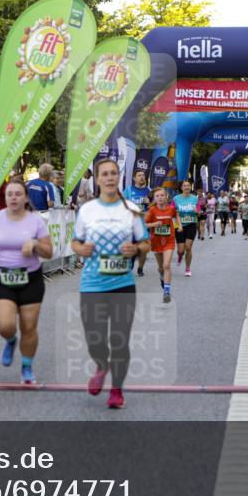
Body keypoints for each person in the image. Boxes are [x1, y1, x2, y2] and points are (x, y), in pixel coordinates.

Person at [71, 158, 150, 409]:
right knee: (95, 339)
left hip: (122, 284)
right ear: (97, 179)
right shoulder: (87, 210)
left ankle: (116, 390)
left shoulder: (131, 209)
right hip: (92, 284)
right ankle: (101, 365)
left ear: (119, 177)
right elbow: (75, 242)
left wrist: (135, 249)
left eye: (113, 173)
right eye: (104, 174)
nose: (109, 178)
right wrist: (81, 249)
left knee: (119, 340)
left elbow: (146, 244)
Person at [0, 179, 53, 384]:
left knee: (29, 327)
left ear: (25, 197)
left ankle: (27, 367)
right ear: (5, 198)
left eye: (18, 194)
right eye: (9, 194)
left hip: (30, 278)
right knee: (5, 325)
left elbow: (49, 252)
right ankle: (11, 341)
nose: (13, 197)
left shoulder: (35, 221)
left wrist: (36, 244)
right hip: (2, 278)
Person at [145, 187, 181, 303]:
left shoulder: (171, 209)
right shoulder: (152, 211)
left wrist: (179, 226)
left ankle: (166, 291)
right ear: (154, 199)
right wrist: (154, 224)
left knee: (166, 265)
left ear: (166, 197)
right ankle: (162, 276)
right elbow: (144, 224)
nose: (160, 198)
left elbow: (176, 216)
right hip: (156, 241)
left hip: (169, 240)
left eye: (162, 195)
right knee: (161, 267)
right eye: (157, 196)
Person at [123, 170, 152, 276]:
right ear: (134, 178)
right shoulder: (129, 190)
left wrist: (149, 203)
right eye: (139, 175)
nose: (141, 177)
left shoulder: (149, 190)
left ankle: (140, 268)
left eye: (143, 175)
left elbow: (155, 207)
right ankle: (130, 261)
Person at [172, 180, 199, 277]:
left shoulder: (195, 199)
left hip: (191, 224)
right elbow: (173, 213)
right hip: (179, 226)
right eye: (185, 186)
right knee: (181, 250)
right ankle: (180, 256)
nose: (187, 187)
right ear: (181, 188)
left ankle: (187, 268)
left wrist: (197, 212)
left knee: (188, 247)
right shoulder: (176, 199)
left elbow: (199, 212)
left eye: (188, 185)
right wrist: (178, 224)